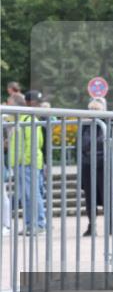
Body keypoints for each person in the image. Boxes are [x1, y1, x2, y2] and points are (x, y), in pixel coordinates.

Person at [10, 91, 47, 234]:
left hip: (28, 163)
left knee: (32, 194)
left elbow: (33, 143)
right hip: (21, 163)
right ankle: (29, 224)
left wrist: (26, 161)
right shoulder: (20, 119)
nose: (8, 105)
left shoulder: (29, 119)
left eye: (10, 103)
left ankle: (39, 223)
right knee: (25, 196)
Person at [80, 97, 107, 237]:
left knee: (106, 195)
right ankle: (92, 225)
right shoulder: (84, 124)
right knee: (89, 197)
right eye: (91, 109)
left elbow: (102, 142)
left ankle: (109, 225)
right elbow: (81, 144)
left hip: (103, 164)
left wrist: (90, 146)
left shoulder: (106, 123)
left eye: (96, 109)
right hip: (87, 164)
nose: (93, 112)